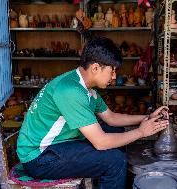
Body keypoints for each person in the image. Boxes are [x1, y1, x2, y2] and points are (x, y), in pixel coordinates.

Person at [16, 37, 169, 189]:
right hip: (39, 157)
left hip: (58, 143)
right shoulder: (70, 91)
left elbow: (111, 118)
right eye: (112, 70)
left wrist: (148, 117)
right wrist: (142, 132)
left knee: (116, 131)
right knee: (115, 160)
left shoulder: (86, 88)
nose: (114, 77)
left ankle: (102, 183)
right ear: (95, 68)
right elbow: (101, 142)